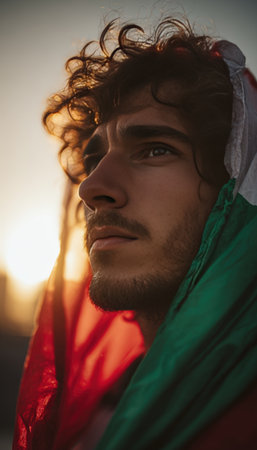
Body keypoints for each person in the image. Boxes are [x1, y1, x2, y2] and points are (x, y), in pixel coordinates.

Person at [13, 16, 257, 450]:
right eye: (92, 162)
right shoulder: (97, 412)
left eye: (156, 148)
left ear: (234, 192)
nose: (91, 189)